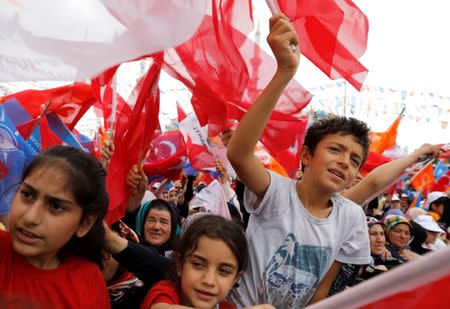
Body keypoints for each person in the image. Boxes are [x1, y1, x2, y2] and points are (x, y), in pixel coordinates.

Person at [226, 14, 371, 308]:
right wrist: (285, 72)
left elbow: (321, 291)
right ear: (306, 155)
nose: (345, 162)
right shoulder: (276, 192)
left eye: (355, 159)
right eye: (335, 150)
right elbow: (239, 154)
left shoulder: (351, 218)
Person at [0, 145, 110, 308]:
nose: (31, 217)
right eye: (28, 195)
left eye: (56, 206)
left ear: (85, 223)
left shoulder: (88, 279)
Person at [140, 215, 273, 309]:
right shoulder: (165, 292)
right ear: (180, 264)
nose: (209, 281)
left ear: (235, 279)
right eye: (198, 264)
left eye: (224, 271)